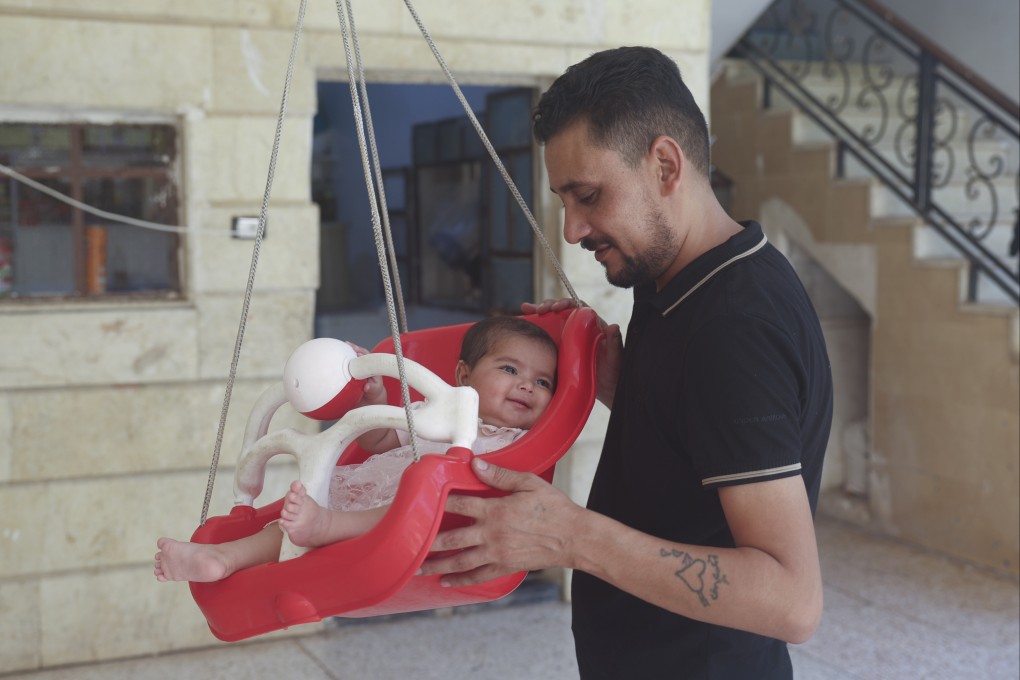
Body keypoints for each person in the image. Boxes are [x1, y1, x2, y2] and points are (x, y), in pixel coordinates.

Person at [417, 46, 834, 679]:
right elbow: (701, 434)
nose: (574, 230)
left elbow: (792, 600)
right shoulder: (672, 276)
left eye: (588, 195)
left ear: (666, 164)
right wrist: (619, 382)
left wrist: (572, 536)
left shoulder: (735, 330)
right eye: (564, 200)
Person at [154, 315, 558, 584]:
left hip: (431, 521)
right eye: (510, 370)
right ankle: (223, 558)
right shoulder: (438, 412)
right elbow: (377, 441)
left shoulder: (522, 444)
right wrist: (374, 396)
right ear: (463, 376)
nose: (527, 385)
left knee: (408, 502)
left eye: (543, 383)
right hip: (373, 495)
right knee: (286, 524)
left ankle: (324, 528)